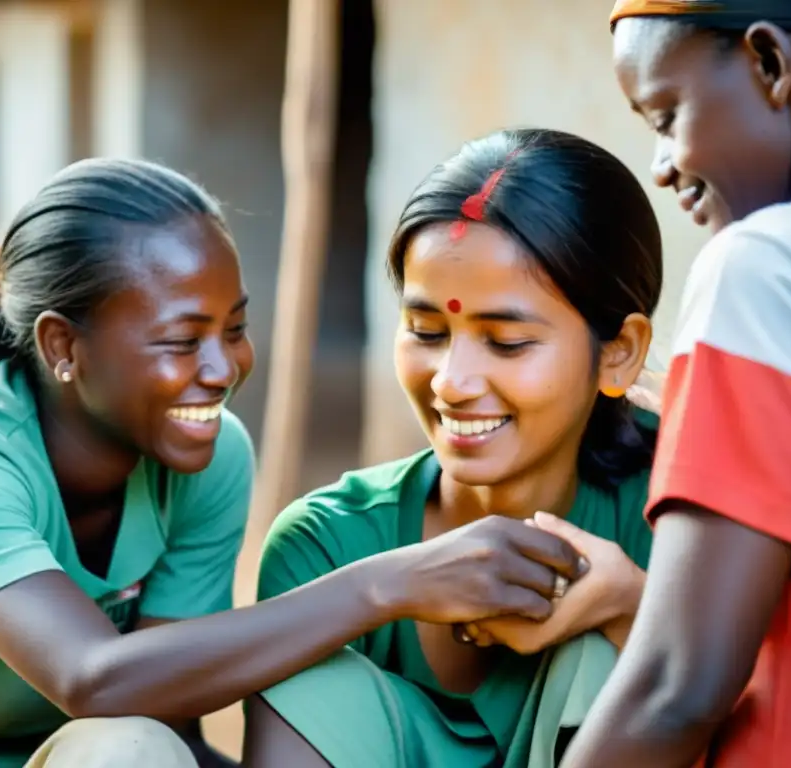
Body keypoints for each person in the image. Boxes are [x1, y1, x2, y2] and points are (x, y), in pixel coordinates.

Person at [0, 157, 594, 768]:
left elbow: (165, 712)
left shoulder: (209, 456)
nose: (223, 368)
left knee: (133, 746)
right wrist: (392, 583)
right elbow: (93, 679)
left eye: (234, 329)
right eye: (180, 340)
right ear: (63, 345)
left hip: (83, 750)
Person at [560, 2, 791, 766]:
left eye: (665, 114)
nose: (662, 166)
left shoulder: (774, 269)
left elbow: (676, 687)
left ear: (769, 63)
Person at [243, 127, 665, 768]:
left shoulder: (681, 513)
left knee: (616, 654)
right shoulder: (330, 546)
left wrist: (632, 608)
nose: (450, 382)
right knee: (305, 651)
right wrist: (384, 587)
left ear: (618, 353)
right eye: (425, 330)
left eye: (507, 342)